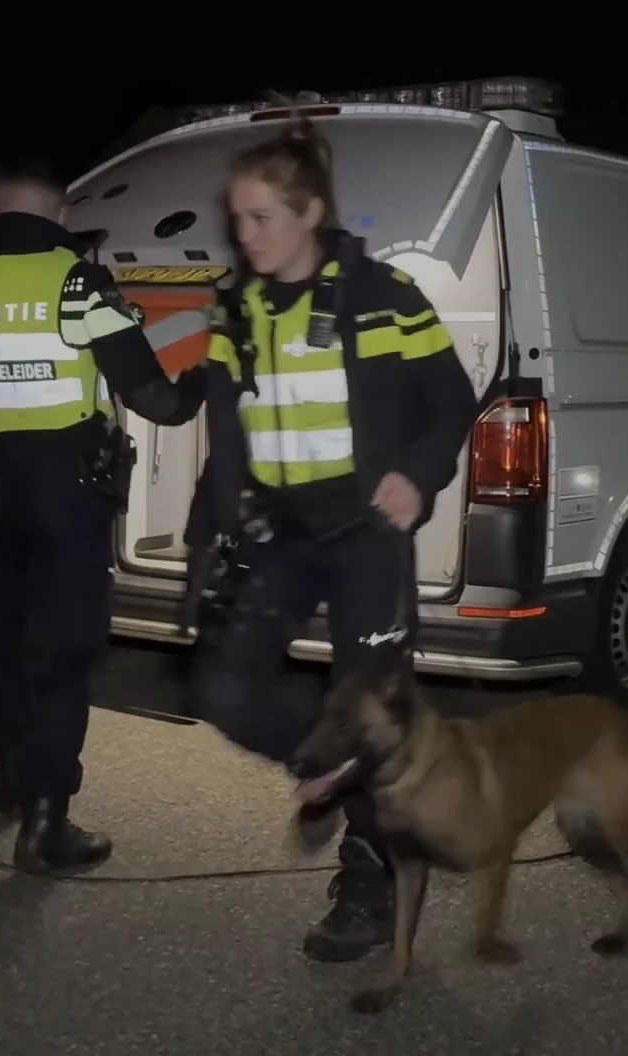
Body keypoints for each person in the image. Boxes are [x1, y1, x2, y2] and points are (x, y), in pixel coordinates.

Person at [187, 118, 478, 962]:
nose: (244, 236)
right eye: (237, 220)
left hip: (365, 540)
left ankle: (370, 881)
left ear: (309, 211)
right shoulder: (233, 311)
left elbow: (450, 402)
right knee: (224, 694)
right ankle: (333, 766)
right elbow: (226, 433)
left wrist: (418, 476)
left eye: (260, 218)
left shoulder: (385, 296)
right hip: (284, 536)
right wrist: (211, 537)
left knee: (371, 712)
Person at [0, 156, 205, 871]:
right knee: (64, 653)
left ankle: (11, 777)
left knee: (3, 641)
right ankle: (47, 820)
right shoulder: (78, 284)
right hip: (65, 493)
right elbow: (154, 398)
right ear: (61, 215)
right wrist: (201, 385)